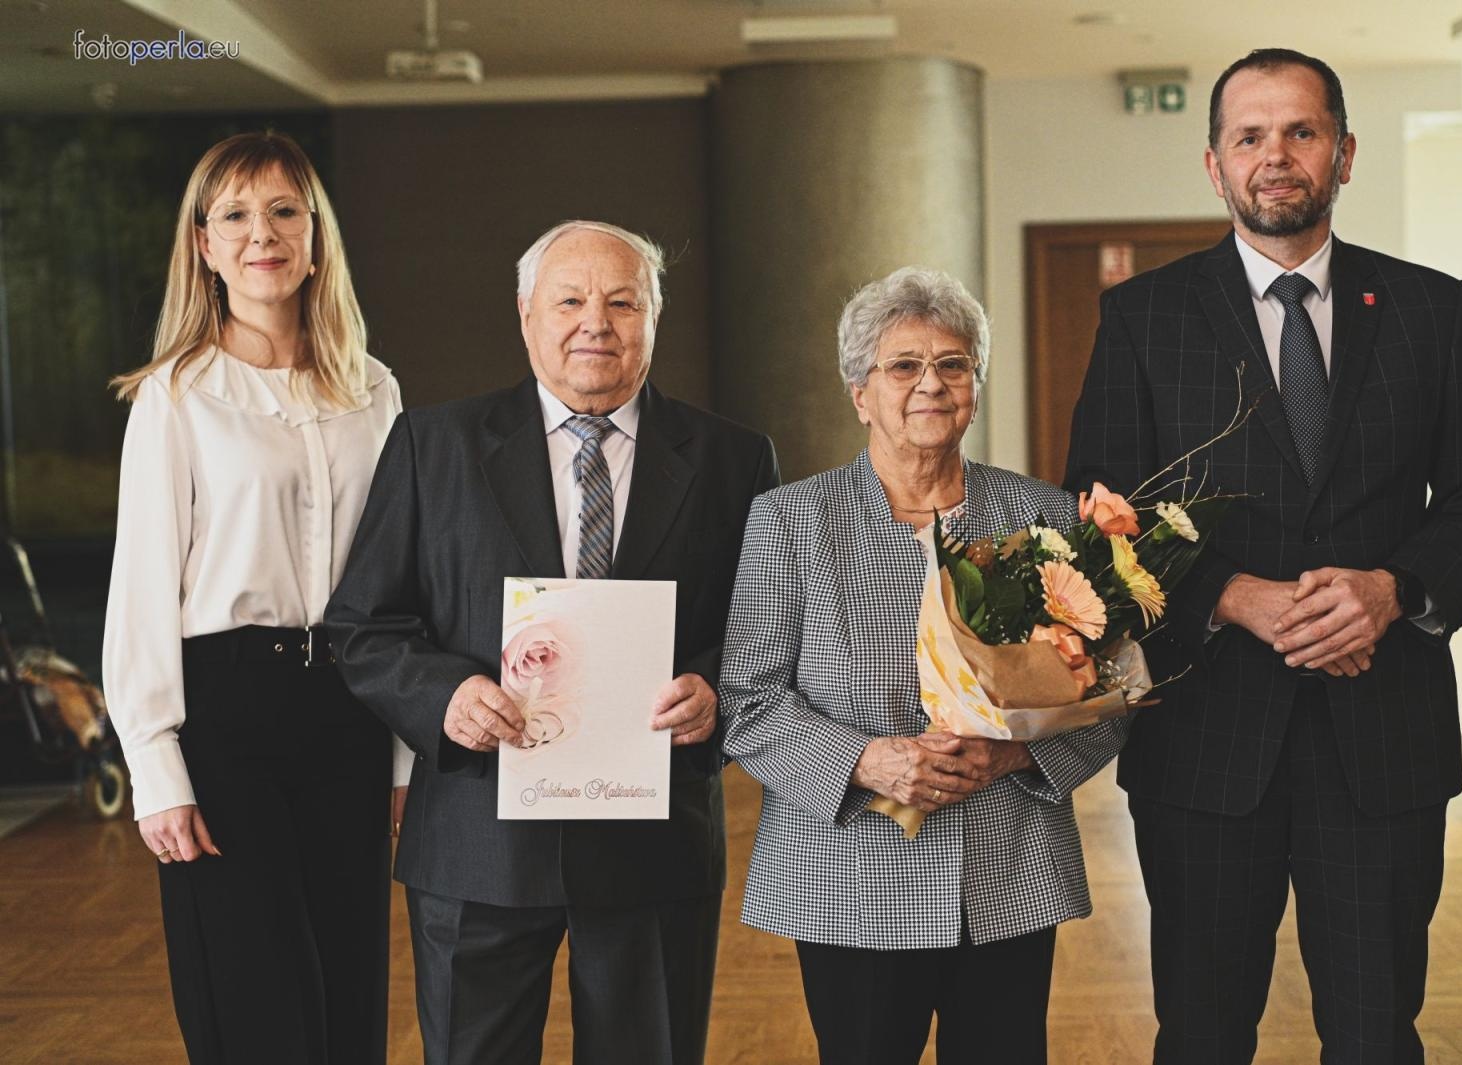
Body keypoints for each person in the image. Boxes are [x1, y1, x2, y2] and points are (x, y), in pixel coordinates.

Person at [1064, 48, 1462, 1064]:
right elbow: (1099, 513)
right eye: (1249, 137)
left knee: (1373, 1031)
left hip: (1382, 736)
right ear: (1214, 164)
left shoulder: (1429, 310)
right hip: (1205, 741)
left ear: (1343, 154)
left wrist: (1391, 591)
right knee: (1202, 1030)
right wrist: (1228, 596)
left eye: (1301, 132)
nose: (1276, 156)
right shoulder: (1143, 317)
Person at [324, 219, 779, 1065]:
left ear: (653, 318)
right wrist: (444, 695)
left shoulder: (732, 458)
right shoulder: (436, 445)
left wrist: (715, 688)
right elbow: (362, 624)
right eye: (569, 300)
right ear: (527, 313)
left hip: (654, 842)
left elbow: (766, 630)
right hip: (476, 843)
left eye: (622, 302)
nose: (594, 323)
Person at [719, 266, 1128, 1065]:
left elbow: (1116, 689)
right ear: (859, 392)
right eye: (903, 365)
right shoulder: (790, 520)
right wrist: (868, 759)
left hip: (1008, 871)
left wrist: (1017, 751)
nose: (930, 384)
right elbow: (748, 701)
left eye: (953, 364)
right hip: (849, 875)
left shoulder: (1045, 513)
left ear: (975, 385)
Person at [102, 131, 407, 1065]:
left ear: (316, 239)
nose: (260, 233)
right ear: (203, 243)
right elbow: (141, 591)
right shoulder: (176, 396)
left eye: (282, 211)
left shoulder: (375, 391)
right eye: (233, 213)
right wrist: (155, 768)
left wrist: (404, 757)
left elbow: (399, 581)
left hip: (351, 705)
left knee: (350, 987)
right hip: (225, 714)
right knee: (252, 994)